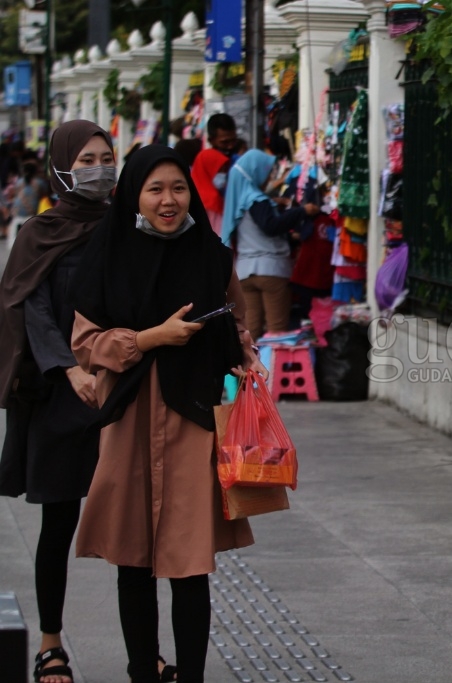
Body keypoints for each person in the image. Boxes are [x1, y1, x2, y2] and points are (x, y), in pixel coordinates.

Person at [69, 145, 268, 683]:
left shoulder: (209, 252)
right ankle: (143, 672)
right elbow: (86, 343)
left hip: (192, 417)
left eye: (179, 188)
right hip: (130, 418)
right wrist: (150, 338)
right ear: (134, 192)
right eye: (155, 189)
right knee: (132, 557)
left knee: (189, 562)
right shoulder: (109, 252)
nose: (168, 200)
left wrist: (246, 354)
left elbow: (233, 320)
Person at [0, 121, 118, 683]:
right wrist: (69, 368)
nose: (100, 167)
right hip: (59, 396)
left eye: (107, 156)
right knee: (58, 523)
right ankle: (51, 643)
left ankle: (143, 652)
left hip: (122, 392)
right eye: (88, 158)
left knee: (132, 528)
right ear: (64, 166)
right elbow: (32, 306)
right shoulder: (39, 232)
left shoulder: (130, 225)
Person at [221, 149, 318, 339]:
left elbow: (255, 233)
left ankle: (249, 369)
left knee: (250, 333)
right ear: (255, 172)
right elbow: (270, 226)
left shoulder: (239, 200)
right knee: (277, 332)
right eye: (268, 172)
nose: (269, 178)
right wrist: (302, 211)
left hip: (245, 273)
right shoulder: (257, 199)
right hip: (271, 270)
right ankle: (269, 369)